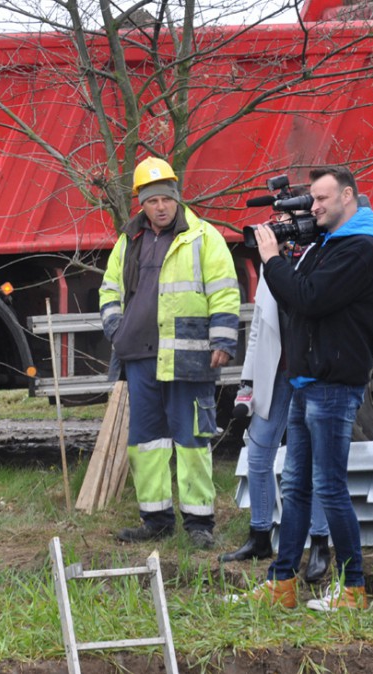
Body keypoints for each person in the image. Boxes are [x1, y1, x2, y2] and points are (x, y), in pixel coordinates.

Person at [232, 166, 373, 610]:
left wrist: (273, 260)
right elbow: (298, 296)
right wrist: (284, 258)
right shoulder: (328, 244)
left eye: (322, 199)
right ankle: (283, 583)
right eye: (312, 200)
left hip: (333, 386)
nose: (314, 207)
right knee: (296, 483)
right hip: (307, 382)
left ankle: (353, 587)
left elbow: (308, 297)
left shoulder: (359, 249)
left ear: (348, 197)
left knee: (329, 486)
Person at [99, 157, 240, 549]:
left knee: (192, 439)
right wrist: (116, 328)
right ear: (141, 205)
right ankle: (156, 519)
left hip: (189, 357)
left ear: (176, 198)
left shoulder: (203, 236)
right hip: (140, 355)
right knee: (146, 441)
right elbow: (109, 289)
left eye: (166, 198)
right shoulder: (129, 241)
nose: (160, 206)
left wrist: (223, 341)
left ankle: (199, 523)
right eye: (151, 200)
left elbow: (225, 291)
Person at [219, 250, 331, 584]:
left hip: (310, 373)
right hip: (277, 372)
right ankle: (260, 537)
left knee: (312, 463)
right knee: (257, 452)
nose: (279, 227)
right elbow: (257, 329)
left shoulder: (320, 258)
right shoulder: (272, 265)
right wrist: (248, 381)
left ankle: (320, 544)